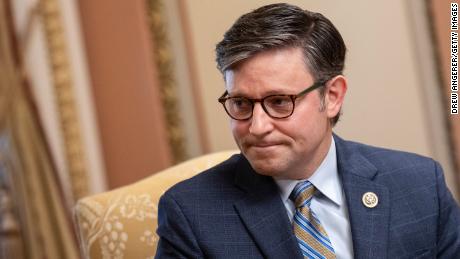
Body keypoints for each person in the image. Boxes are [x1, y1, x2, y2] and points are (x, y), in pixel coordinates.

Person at [155, 3, 460, 258]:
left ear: (332, 97)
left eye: (279, 101)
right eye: (241, 103)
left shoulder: (419, 184)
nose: (257, 127)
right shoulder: (191, 213)